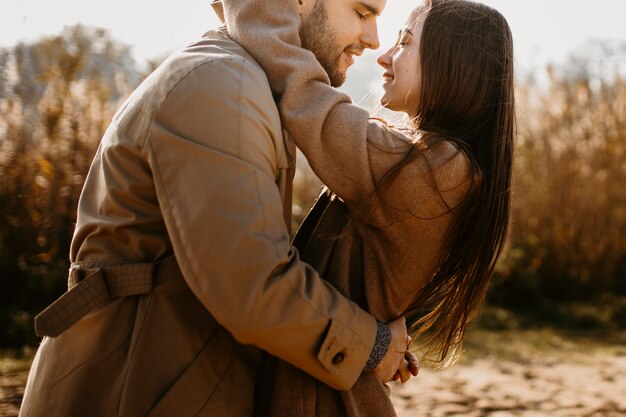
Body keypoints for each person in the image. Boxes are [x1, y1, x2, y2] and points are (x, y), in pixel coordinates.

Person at [18, 1, 415, 416]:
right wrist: (371, 348)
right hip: (128, 390)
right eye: (362, 11)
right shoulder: (222, 84)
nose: (374, 40)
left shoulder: (246, 83)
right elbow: (252, 280)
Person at [221, 0, 515, 415]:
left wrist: (257, 5)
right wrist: (379, 336)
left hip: (329, 400)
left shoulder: (439, 171)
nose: (384, 55)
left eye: (405, 42)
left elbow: (307, 99)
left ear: (453, 65)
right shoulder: (437, 164)